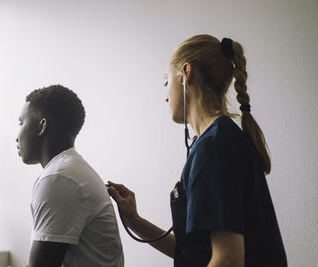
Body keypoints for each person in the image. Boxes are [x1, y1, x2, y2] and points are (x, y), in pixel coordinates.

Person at [108, 35, 287, 267]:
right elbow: (195, 255)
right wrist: (135, 220)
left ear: (186, 72)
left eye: (166, 82)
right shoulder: (220, 140)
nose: (165, 96)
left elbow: (228, 260)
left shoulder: (214, 147)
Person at [16, 84, 124, 267]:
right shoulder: (69, 170)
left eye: (21, 123)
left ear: (42, 126)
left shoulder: (60, 178)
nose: (17, 136)